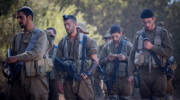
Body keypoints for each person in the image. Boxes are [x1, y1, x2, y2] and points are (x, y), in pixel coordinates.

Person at [5, 6, 49, 100]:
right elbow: (11, 56)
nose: (19, 20)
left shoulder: (41, 34)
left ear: (29, 17)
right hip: (18, 81)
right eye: (17, 18)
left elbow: (37, 53)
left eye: (21, 17)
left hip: (35, 81)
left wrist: (16, 58)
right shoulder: (17, 37)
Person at [129, 9, 173, 100]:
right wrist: (131, 74)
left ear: (154, 19)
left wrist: (152, 47)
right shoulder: (139, 35)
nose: (147, 25)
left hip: (159, 74)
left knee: (158, 98)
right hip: (142, 74)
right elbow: (132, 56)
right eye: (144, 22)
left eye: (149, 21)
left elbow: (169, 52)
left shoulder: (163, 33)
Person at [55, 15, 98, 100]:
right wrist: (58, 81)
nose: (66, 27)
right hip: (68, 82)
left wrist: (88, 73)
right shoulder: (62, 42)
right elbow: (57, 63)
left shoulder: (88, 41)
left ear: (75, 24)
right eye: (65, 25)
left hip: (83, 82)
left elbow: (95, 61)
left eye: (68, 24)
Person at [100, 24, 133, 100]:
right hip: (111, 80)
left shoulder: (128, 45)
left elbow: (135, 60)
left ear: (121, 34)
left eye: (116, 36)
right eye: (112, 37)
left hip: (125, 81)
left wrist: (125, 58)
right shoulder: (107, 47)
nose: (114, 39)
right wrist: (108, 59)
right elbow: (100, 62)